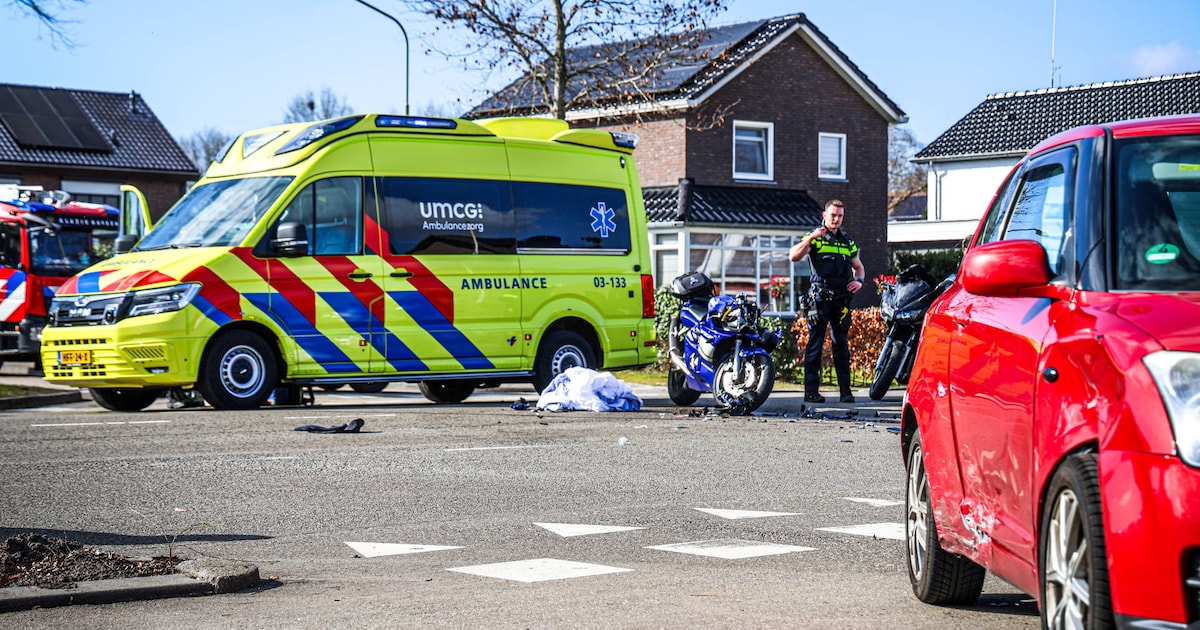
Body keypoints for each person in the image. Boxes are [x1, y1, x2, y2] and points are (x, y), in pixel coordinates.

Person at [788, 199, 866, 404]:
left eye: (840, 215)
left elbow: (859, 267)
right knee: (815, 345)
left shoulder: (847, 241)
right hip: (820, 299)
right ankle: (811, 392)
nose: (836, 219)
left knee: (842, 346)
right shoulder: (816, 238)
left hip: (841, 301)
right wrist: (811, 238)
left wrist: (859, 281)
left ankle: (845, 392)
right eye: (833, 215)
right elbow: (793, 256)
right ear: (824, 215)